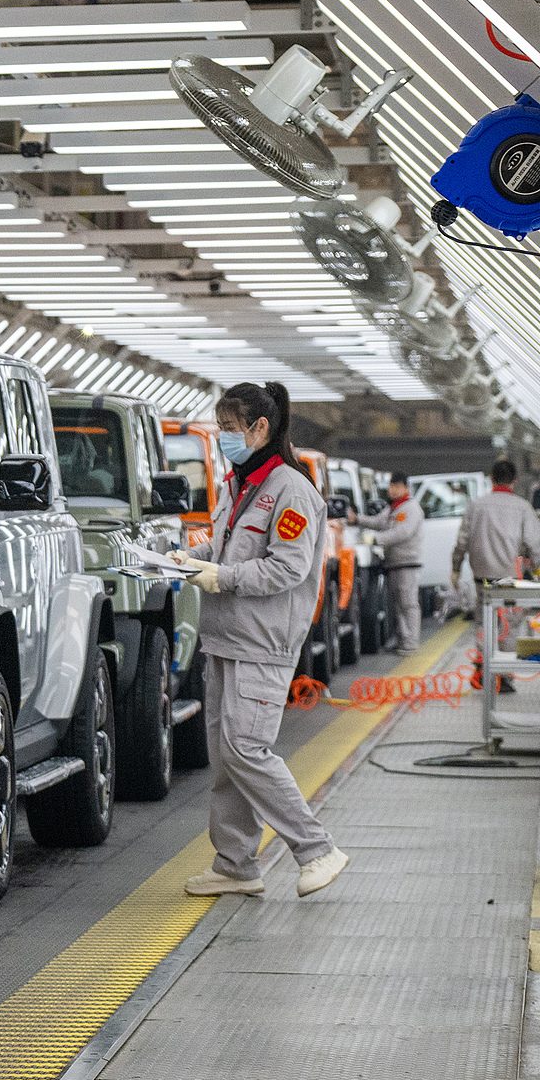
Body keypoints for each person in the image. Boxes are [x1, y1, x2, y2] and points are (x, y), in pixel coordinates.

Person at [169, 382, 348, 899]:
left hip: (262, 641)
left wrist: (221, 577)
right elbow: (227, 546)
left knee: (247, 749)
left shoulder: (292, 490)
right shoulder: (240, 483)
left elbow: (287, 568)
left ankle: (317, 849)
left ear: (259, 428)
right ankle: (236, 865)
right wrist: (189, 558)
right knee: (226, 757)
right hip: (225, 637)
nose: (224, 436)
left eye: (229, 428)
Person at [450, 458, 540, 693]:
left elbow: (462, 541)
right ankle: (504, 677)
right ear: (514, 480)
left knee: (484, 623)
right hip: (511, 581)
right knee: (509, 626)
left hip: (483, 579)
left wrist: (456, 567)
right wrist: (537, 569)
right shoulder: (523, 507)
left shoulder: (475, 506)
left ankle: (483, 671)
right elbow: (534, 544)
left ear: (491, 479)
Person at [351, 471, 423, 655]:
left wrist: (375, 539)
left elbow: (402, 533)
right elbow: (378, 522)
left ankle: (410, 642)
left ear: (406, 488)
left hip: (407, 563)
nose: (393, 490)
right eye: (391, 486)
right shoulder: (393, 508)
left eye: (397, 486)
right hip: (394, 563)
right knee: (398, 606)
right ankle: (401, 640)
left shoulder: (411, 508)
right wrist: (357, 519)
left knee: (408, 604)